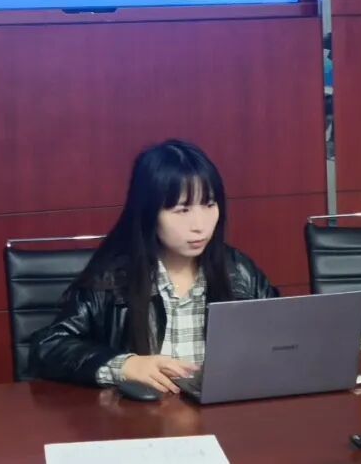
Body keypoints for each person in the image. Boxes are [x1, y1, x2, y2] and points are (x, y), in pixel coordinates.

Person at [29, 139, 278, 393]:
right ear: (149, 213)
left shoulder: (239, 271)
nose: (200, 225)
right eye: (182, 210)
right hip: (139, 414)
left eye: (209, 205)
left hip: (224, 410)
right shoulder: (113, 277)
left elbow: (283, 340)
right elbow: (47, 347)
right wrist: (124, 365)